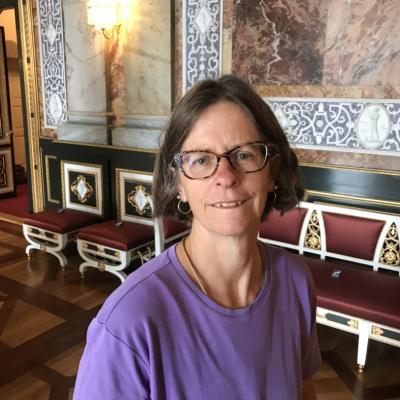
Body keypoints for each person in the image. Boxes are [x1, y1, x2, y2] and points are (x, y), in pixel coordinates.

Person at [74, 75, 321, 399]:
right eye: (201, 160)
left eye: (244, 154)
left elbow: (304, 389)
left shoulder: (295, 282)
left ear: (271, 172)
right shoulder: (128, 324)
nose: (226, 177)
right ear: (179, 184)